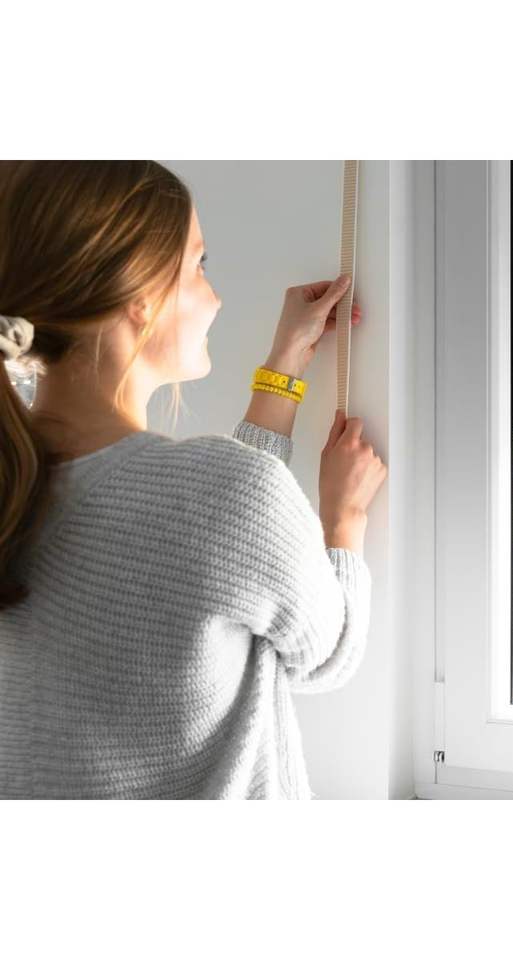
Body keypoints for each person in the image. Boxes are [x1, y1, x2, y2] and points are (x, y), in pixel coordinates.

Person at [0, 160, 387, 799]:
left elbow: (200, 540)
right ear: (142, 297)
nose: (216, 297)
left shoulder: (16, 483)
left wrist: (284, 370)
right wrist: (344, 521)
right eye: (199, 265)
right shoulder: (224, 496)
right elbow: (328, 652)